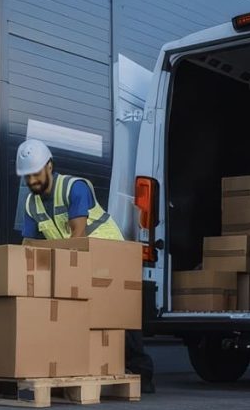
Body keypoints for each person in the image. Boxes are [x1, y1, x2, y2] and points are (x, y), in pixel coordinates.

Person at [17, 139, 156, 393]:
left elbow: (78, 234)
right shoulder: (30, 204)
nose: (31, 181)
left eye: (35, 173)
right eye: (27, 176)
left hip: (110, 255)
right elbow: (28, 244)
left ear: (49, 166)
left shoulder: (74, 187)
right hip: (76, 258)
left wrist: (55, 256)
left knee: (119, 315)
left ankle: (141, 374)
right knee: (75, 315)